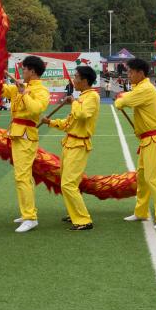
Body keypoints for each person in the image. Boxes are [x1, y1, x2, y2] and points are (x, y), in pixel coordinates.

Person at [117, 58, 156, 230]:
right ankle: (141, 211)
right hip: (146, 140)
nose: (128, 75)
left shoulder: (146, 89)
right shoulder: (140, 88)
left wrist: (120, 98)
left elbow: (122, 102)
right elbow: (126, 99)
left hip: (154, 140)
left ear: (140, 73)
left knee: (153, 179)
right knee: (142, 178)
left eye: (130, 72)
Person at [43, 65, 100, 231]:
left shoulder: (92, 97)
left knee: (68, 183)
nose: (73, 80)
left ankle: (83, 220)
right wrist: (50, 122)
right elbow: (69, 123)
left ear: (85, 81)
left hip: (79, 145)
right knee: (67, 182)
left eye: (76, 77)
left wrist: (74, 102)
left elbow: (82, 115)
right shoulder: (82, 98)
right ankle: (74, 212)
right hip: (70, 143)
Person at [2, 55, 50, 233]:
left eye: (24, 69)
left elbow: (36, 109)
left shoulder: (41, 90)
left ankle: (30, 217)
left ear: (32, 71)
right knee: (21, 176)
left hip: (26, 136)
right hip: (17, 134)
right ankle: (27, 213)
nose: (22, 71)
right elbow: (1, 90)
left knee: (22, 176)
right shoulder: (20, 86)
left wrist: (24, 93)